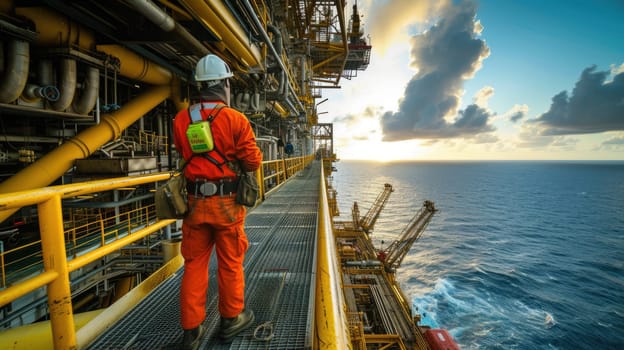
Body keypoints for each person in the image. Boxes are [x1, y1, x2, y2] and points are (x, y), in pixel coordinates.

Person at [172, 54, 262, 349]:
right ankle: (231, 319)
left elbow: (183, 152)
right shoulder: (235, 119)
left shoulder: (181, 119)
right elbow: (252, 161)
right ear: (224, 84)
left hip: (194, 204)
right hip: (227, 205)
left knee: (194, 263)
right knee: (230, 262)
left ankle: (190, 332)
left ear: (197, 86)